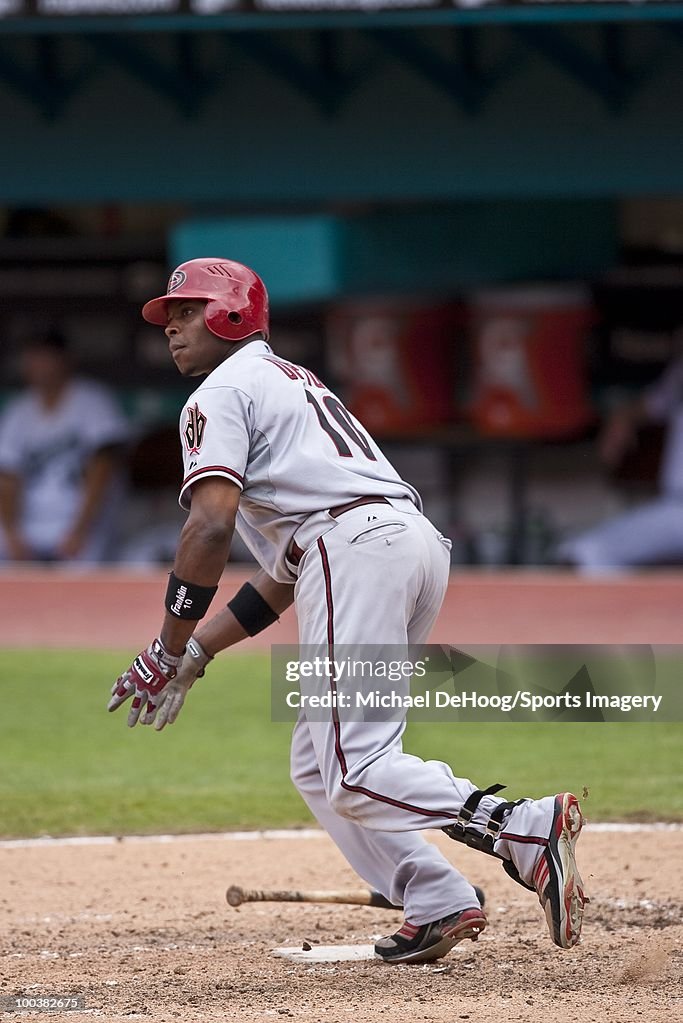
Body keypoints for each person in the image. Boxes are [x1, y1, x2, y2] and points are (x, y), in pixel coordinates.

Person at [108, 259, 586, 963]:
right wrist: (196, 652)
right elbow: (278, 577)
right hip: (406, 546)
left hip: (355, 549)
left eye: (186, 309)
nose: (171, 324)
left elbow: (208, 528)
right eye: (170, 313)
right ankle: (435, 898)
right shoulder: (290, 381)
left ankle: (520, 826)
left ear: (229, 315)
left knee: (355, 765)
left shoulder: (220, 393)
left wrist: (163, 644)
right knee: (318, 760)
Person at [0, 330, 129, 563]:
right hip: (31, 522)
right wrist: (12, 532)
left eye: (44, 356)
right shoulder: (18, 410)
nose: (37, 364)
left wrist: (79, 530)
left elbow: (103, 467)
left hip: (83, 522)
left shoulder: (92, 401)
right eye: (32, 356)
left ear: (64, 359)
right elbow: (7, 476)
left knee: (81, 583)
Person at [557, 349, 683, 571]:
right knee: (585, 553)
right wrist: (622, 419)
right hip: (675, 509)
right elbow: (647, 406)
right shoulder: (679, 373)